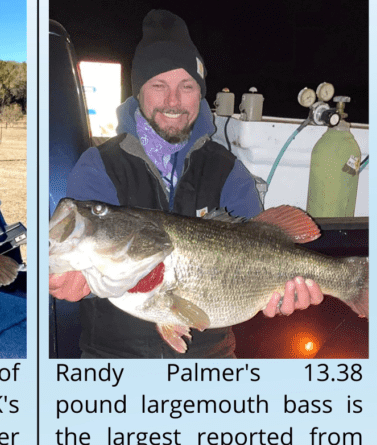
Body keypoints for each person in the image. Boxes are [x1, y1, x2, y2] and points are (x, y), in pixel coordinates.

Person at [50, 9, 322, 358]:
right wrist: (76, 282)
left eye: (186, 86)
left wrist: (284, 297)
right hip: (114, 360)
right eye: (158, 85)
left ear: (200, 93)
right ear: (139, 93)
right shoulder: (98, 165)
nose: (173, 101)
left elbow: (266, 246)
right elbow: (90, 261)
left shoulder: (229, 171)